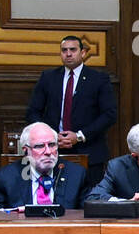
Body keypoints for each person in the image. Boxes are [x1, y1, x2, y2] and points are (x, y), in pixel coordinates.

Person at [25, 34, 117, 187]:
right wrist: (52, 136)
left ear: (83, 53)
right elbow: (33, 112)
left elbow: (109, 115)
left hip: (89, 151)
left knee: (88, 198)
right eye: (64, 50)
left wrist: (80, 136)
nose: (68, 54)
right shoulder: (48, 77)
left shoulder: (99, 79)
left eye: (73, 50)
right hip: (52, 150)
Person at [0, 122, 88, 210]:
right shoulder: (7, 177)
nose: (48, 152)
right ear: (26, 150)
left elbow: (88, 218)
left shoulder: (77, 175)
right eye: (40, 146)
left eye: (52, 145)